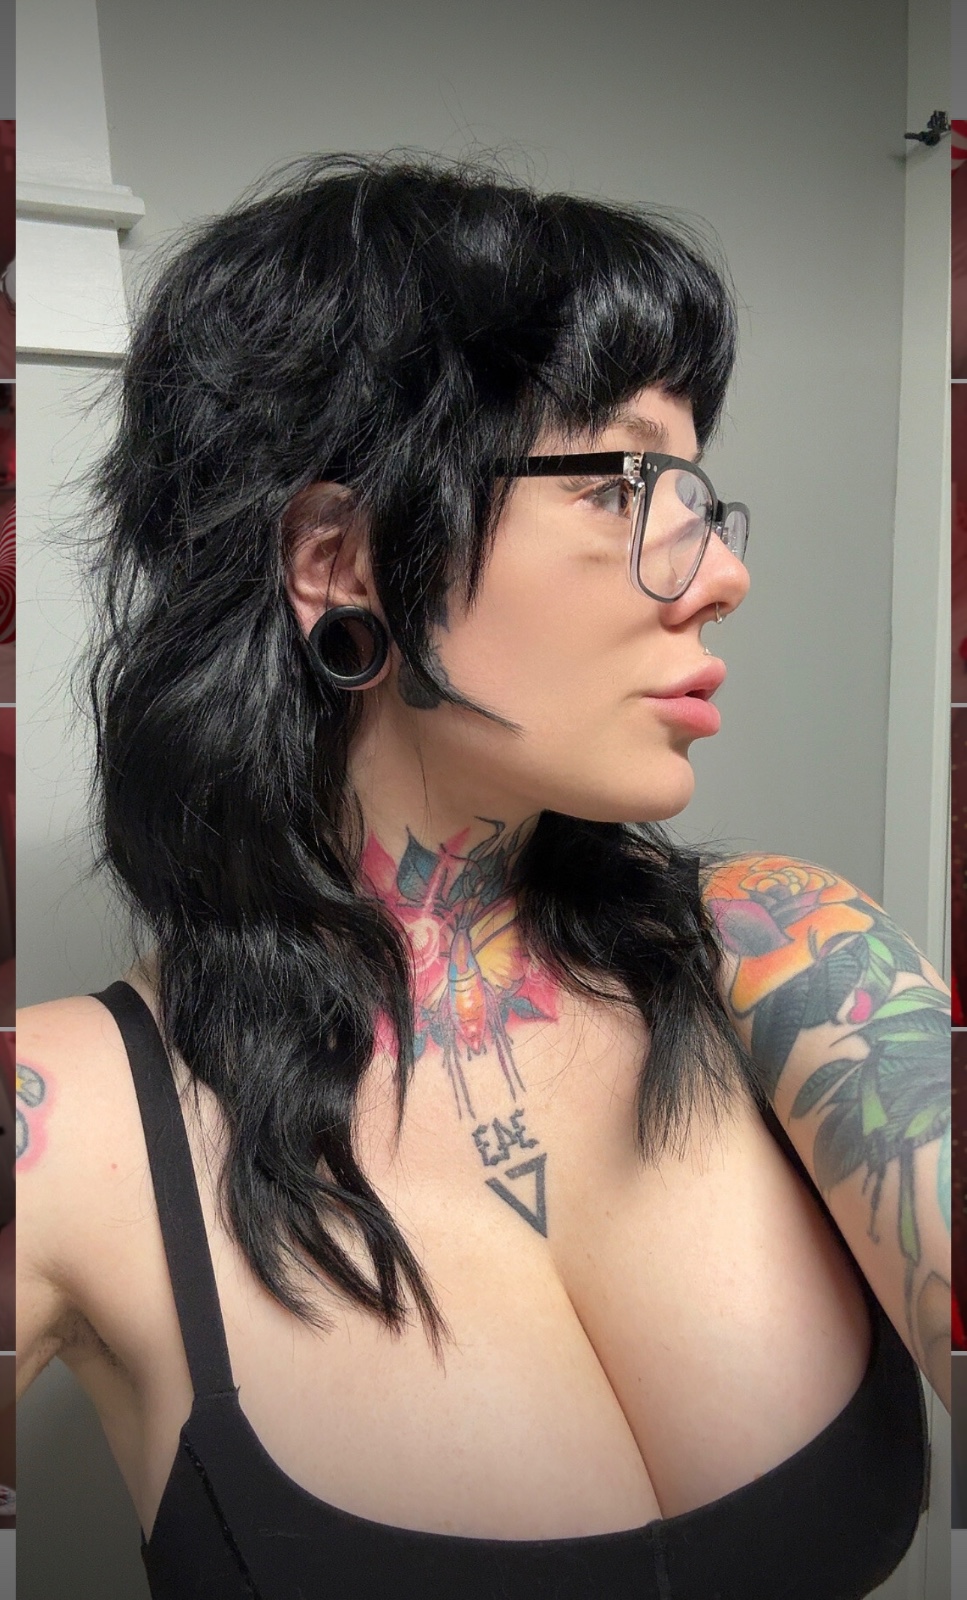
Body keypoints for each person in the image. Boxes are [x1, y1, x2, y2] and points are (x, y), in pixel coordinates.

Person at [16, 156, 949, 1600]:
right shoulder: (60, 1126)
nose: (721, 574)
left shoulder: (791, 954)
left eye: (702, 493)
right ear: (342, 557)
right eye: (630, 484)